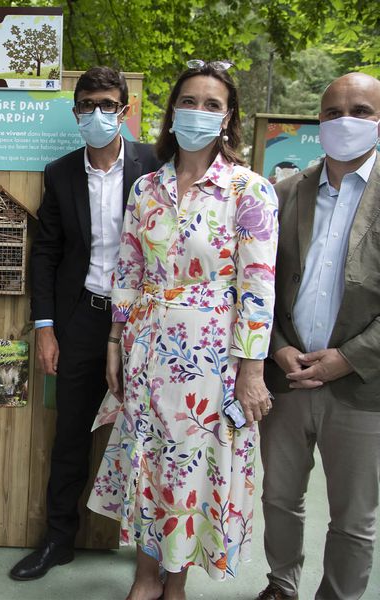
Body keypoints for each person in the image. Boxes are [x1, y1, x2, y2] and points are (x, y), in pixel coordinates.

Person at [87, 61, 279, 600]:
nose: (198, 111)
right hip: (146, 349)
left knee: (191, 468)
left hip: (212, 358)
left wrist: (251, 370)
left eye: (212, 104)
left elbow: (257, 288)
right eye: (188, 101)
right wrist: (114, 342)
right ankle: (146, 577)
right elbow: (126, 272)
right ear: (172, 113)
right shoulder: (146, 188)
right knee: (148, 461)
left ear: (228, 118)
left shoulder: (250, 191)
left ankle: (175, 584)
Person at [10, 66, 161, 581]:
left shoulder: (153, 165)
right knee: (70, 434)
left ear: (124, 110)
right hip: (81, 321)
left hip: (143, 327)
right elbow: (47, 250)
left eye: (107, 104)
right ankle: (59, 540)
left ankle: (156, 556)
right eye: (87, 104)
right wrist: (46, 326)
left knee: (151, 437)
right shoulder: (61, 173)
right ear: (76, 111)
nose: (97, 114)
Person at [257, 72, 380, 600]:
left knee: (354, 517)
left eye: (361, 111)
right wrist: (278, 346)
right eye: (333, 112)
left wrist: (348, 358)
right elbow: (257, 284)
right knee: (280, 498)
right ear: (319, 120)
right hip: (287, 377)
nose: (345, 121)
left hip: (361, 385)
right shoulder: (286, 192)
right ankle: (281, 584)